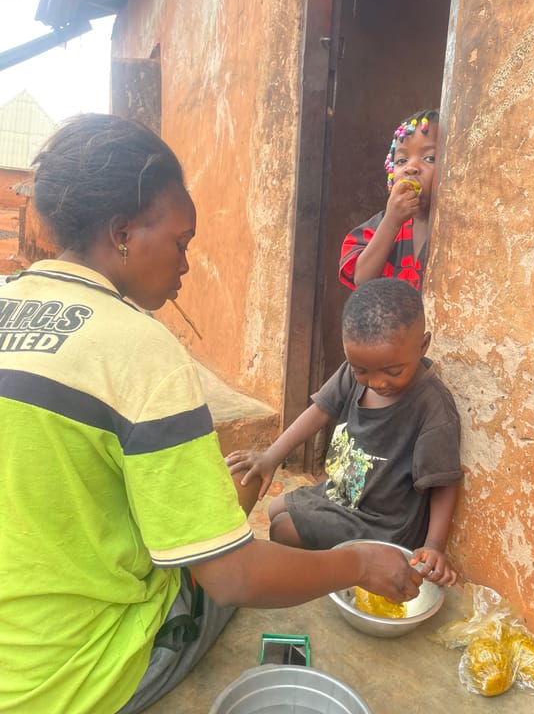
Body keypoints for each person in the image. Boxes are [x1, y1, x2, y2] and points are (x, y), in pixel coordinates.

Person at [0, 114, 423, 714]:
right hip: (72, 680)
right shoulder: (140, 348)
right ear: (123, 232)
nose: (185, 266)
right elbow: (232, 578)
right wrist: (353, 562)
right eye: (180, 243)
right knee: (231, 564)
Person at [227, 278, 462, 587]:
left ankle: (331, 579)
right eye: (361, 370)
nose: (376, 382)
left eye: (393, 372)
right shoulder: (356, 371)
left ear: (423, 345)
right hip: (343, 495)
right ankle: (337, 567)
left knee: (282, 529)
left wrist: (433, 546)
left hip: (382, 523)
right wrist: (271, 457)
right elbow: (319, 411)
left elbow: (443, 483)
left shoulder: (432, 407)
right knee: (274, 508)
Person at [339, 109, 439, 292]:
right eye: (401, 161)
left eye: (429, 158)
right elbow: (362, 279)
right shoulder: (380, 225)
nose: (411, 168)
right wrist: (392, 222)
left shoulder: (457, 231)